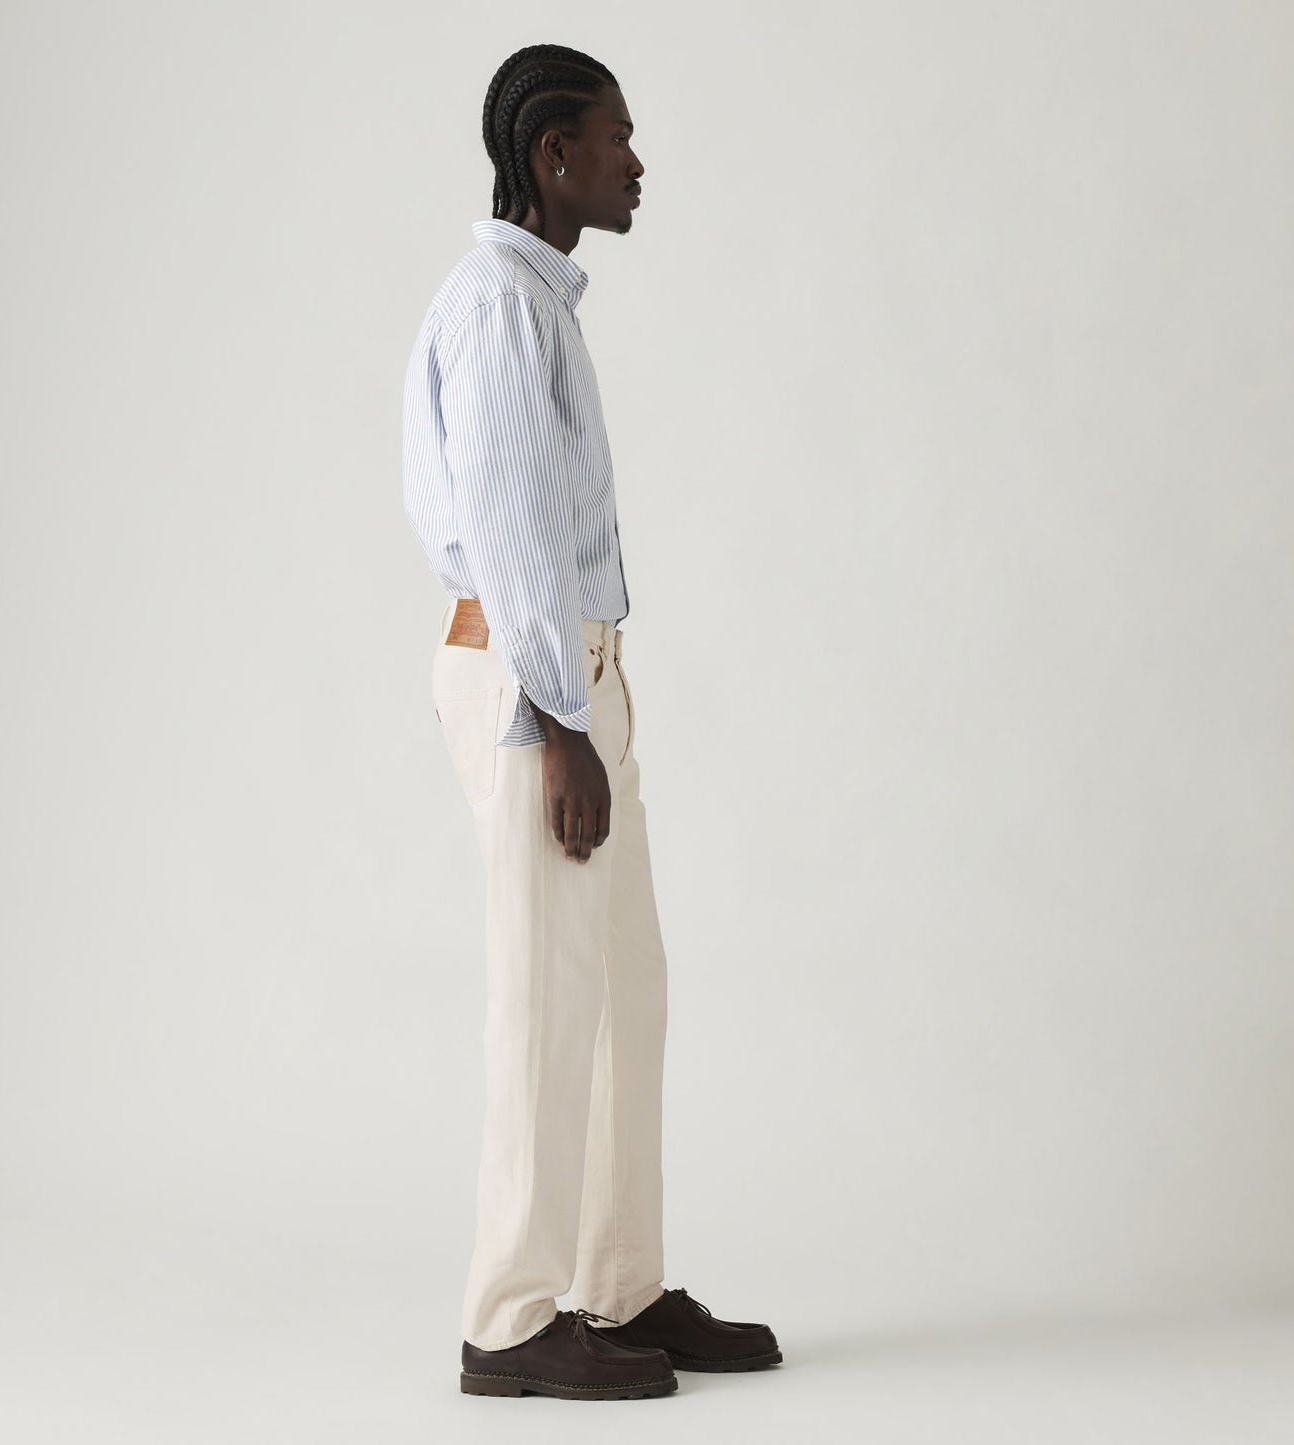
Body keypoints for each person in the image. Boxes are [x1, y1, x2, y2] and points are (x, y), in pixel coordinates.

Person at [401, 43, 781, 1401]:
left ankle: (617, 1284)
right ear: (552, 153)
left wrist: (587, 702)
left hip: (573, 684)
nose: (636, 161)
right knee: (546, 1001)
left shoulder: (537, 301)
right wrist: (560, 725)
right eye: (618, 137)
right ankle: (507, 1320)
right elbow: (508, 538)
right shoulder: (500, 308)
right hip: (532, 692)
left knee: (625, 986)